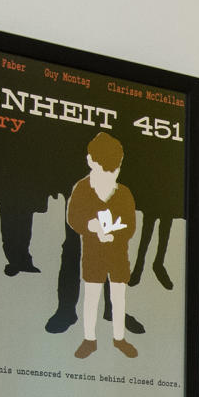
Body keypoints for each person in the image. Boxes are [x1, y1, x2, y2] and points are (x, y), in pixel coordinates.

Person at [65, 132, 137, 358]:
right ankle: (90, 339)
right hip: (93, 255)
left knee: (118, 296)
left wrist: (114, 234)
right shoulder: (82, 189)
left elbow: (130, 226)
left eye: (114, 171)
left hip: (117, 256)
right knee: (92, 295)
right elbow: (73, 217)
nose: (109, 176)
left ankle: (119, 338)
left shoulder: (124, 192)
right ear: (90, 162)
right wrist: (91, 226)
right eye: (103, 170)